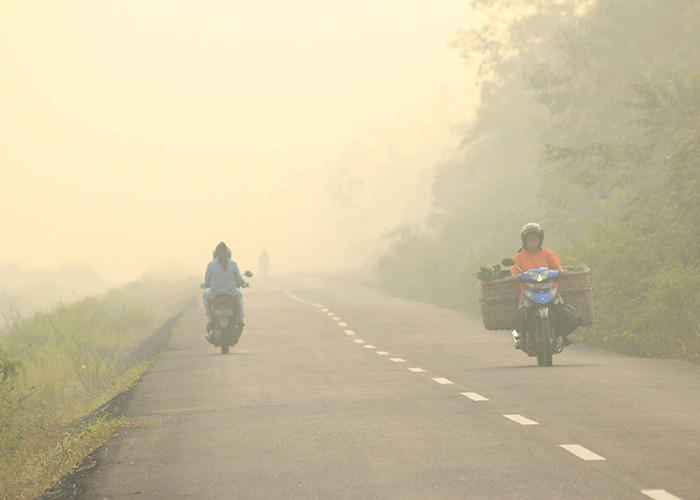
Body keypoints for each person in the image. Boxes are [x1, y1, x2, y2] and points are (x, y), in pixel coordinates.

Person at [510, 223, 568, 348]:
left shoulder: (548, 254)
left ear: (540, 240)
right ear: (525, 241)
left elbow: (557, 266)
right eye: (530, 240)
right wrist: (515, 276)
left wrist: (561, 271)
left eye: (536, 239)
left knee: (560, 306)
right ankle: (522, 337)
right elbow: (514, 271)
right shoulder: (519, 257)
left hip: (549, 288)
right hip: (528, 290)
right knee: (522, 310)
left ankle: (564, 335)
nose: (533, 242)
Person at [202, 242, 248, 331]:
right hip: (231, 292)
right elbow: (238, 279)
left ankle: (210, 318)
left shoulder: (211, 264)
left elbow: (207, 280)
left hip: (214, 294)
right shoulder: (233, 264)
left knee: (204, 295)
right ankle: (241, 318)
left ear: (215, 254)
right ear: (228, 253)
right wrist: (243, 284)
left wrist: (205, 285)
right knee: (240, 296)